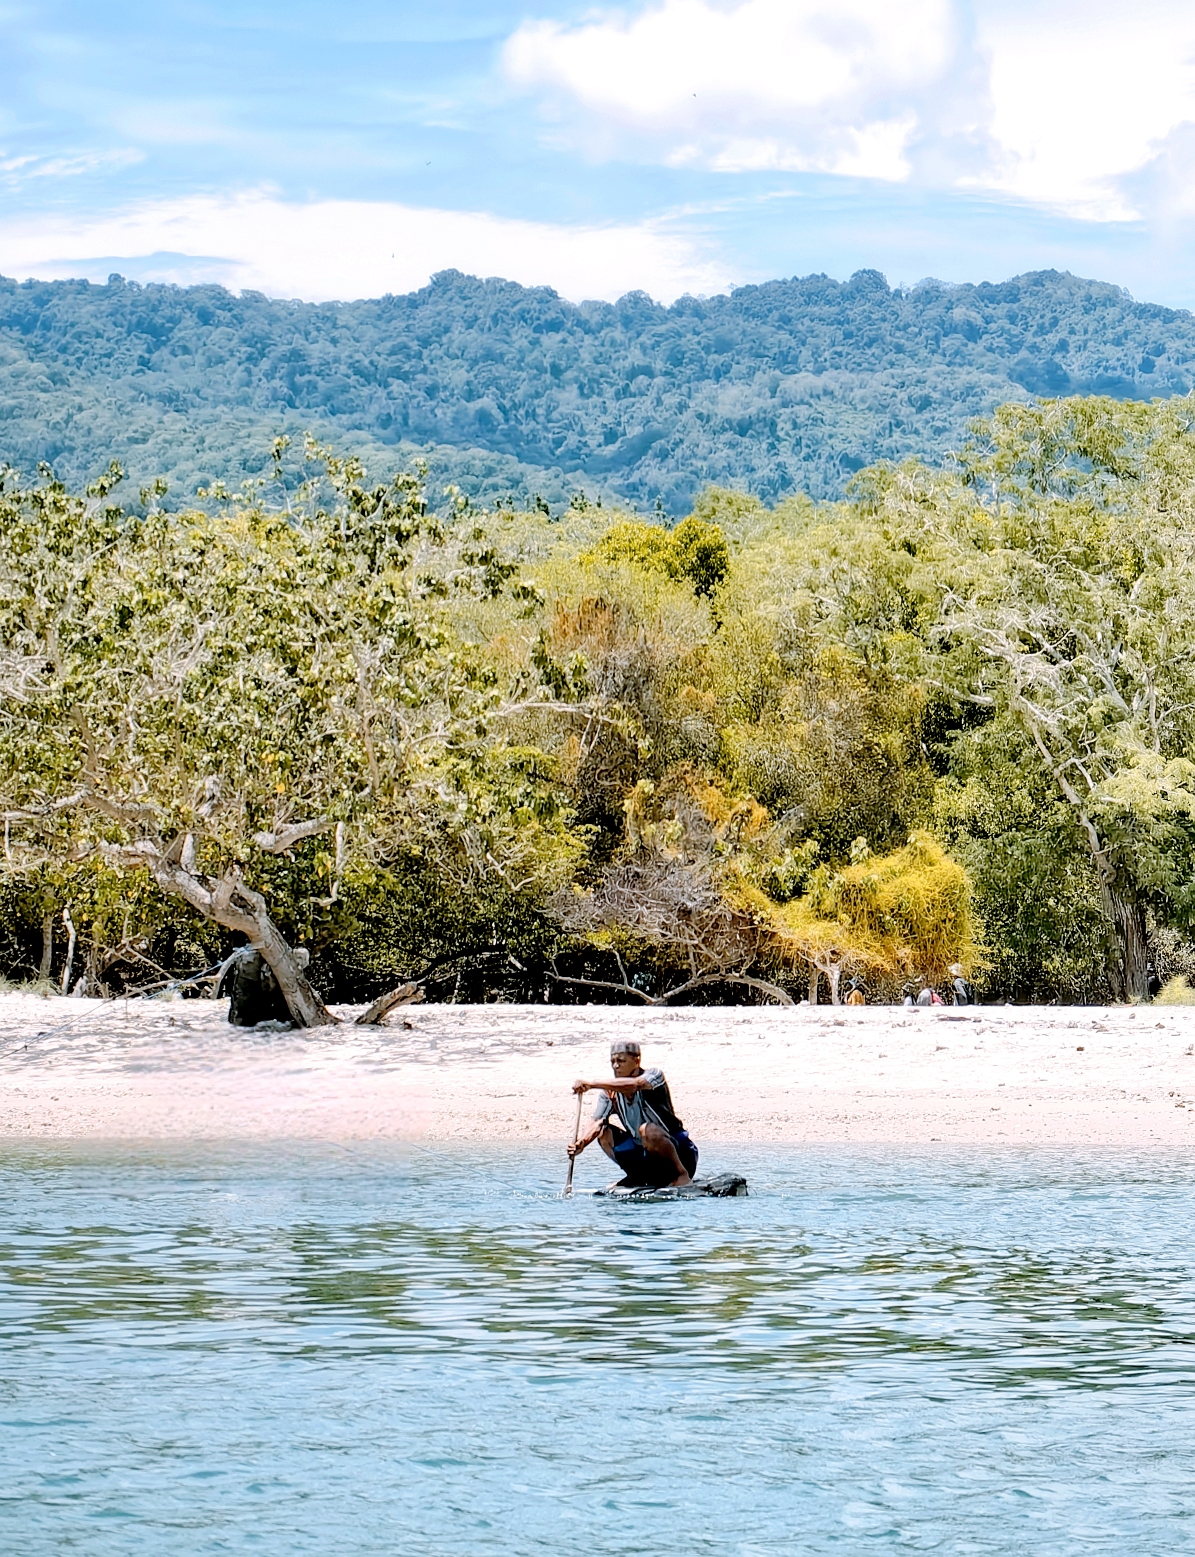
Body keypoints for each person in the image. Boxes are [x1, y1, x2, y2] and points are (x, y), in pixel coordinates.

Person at [568, 1040, 698, 1188]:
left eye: (621, 1061)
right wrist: (582, 1143)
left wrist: (592, 1084)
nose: (616, 1066)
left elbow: (634, 1086)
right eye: (613, 1061)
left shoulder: (654, 1075)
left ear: (637, 1060)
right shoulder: (609, 1091)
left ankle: (681, 1176)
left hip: (680, 1153)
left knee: (647, 1130)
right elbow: (597, 1122)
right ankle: (637, 1176)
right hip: (646, 1155)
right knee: (604, 1132)